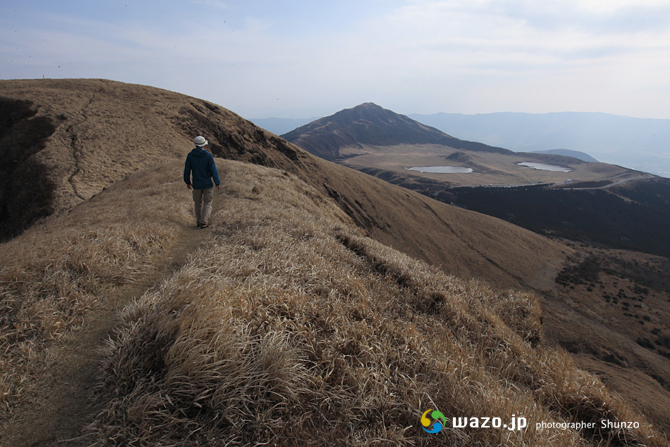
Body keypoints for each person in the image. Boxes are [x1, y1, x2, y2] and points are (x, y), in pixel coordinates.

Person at [184, 136, 220, 228]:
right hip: (207, 183)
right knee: (207, 203)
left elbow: (187, 170)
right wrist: (217, 182)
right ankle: (204, 222)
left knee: (197, 203)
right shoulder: (208, 156)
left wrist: (187, 182)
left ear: (195, 145)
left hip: (196, 184)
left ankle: (199, 221)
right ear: (204, 145)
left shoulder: (190, 156)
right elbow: (213, 170)